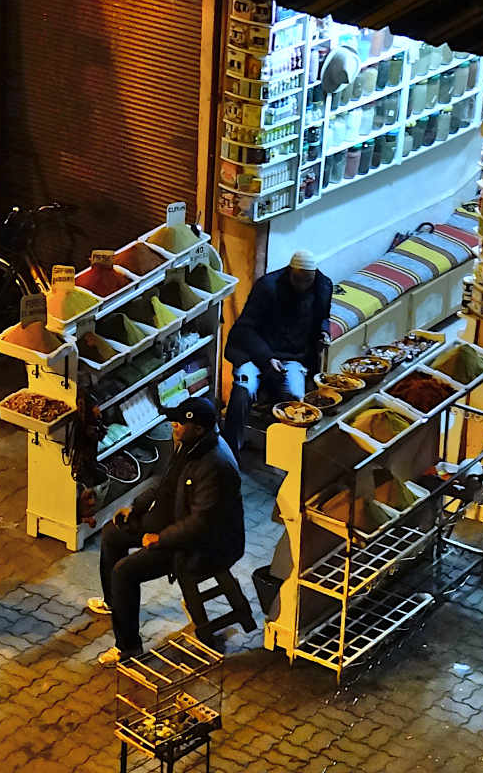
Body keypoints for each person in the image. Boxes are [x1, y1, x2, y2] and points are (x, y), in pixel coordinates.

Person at [87, 396, 245, 665]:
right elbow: (166, 484)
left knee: (124, 572)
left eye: (180, 423)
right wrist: (136, 508)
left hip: (203, 545)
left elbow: (200, 525)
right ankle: (116, 603)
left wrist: (160, 539)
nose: (174, 425)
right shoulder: (190, 446)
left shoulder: (215, 465)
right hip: (176, 525)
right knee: (112, 534)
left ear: (199, 428)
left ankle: (128, 648)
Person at [223, 249, 333, 457]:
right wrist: (266, 357)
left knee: (295, 399)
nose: (302, 285)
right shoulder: (268, 287)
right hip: (256, 352)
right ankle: (230, 452)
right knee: (243, 389)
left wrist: (324, 332)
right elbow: (245, 329)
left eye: (307, 280)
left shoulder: (322, 286)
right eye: (298, 280)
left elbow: (323, 318)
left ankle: (286, 455)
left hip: (293, 356)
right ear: (290, 272)